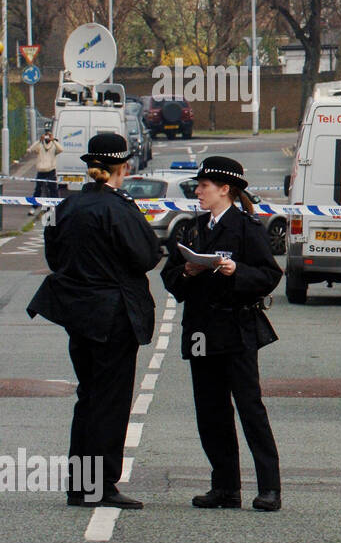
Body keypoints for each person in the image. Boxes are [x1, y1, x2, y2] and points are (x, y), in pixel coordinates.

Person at [26, 133, 162, 509]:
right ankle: (100, 486)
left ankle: (80, 485)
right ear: (124, 168)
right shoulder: (119, 208)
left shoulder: (67, 206)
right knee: (110, 402)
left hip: (78, 314)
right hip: (114, 315)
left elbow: (54, 257)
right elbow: (147, 256)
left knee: (87, 398)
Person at [161, 156, 284, 511]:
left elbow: (268, 275)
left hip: (237, 328)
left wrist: (236, 271)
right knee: (210, 411)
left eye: (204, 186)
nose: (197, 191)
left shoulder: (248, 228)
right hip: (201, 331)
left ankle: (269, 488)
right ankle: (225, 486)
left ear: (225, 189)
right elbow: (171, 280)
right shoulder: (192, 228)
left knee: (249, 408)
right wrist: (186, 269)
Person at [25, 128, 63, 215]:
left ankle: (56, 208)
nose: (47, 137)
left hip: (51, 170)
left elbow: (61, 149)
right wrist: (39, 141)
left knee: (53, 190)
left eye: (49, 135)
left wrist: (53, 140)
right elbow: (30, 149)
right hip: (41, 171)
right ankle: (33, 208)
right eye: (46, 135)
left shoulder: (54, 146)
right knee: (38, 190)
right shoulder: (40, 145)